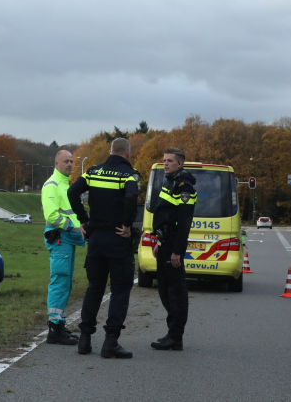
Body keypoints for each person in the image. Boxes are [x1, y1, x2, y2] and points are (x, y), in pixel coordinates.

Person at [68, 138, 139, 359]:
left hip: (96, 239)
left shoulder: (93, 171)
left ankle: (84, 340)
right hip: (118, 239)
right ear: (128, 152)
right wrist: (127, 224)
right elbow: (131, 196)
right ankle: (110, 343)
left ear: (110, 151)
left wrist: (83, 219)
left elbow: (72, 192)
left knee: (95, 288)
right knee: (120, 290)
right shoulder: (129, 175)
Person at [150, 147, 197, 351]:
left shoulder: (184, 187)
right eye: (164, 160)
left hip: (173, 246)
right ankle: (172, 333)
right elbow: (165, 216)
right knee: (164, 290)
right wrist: (158, 243)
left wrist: (177, 251)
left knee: (175, 292)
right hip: (164, 243)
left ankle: (175, 337)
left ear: (180, 163)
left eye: (169, 160)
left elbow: (184, 223)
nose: (165, 164)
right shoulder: (170, 182)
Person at [42, 149, 87, 345]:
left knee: (65, 283)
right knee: (60, 282)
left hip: (67, 240)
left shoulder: (64, 184)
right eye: (66, 161)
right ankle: (54, 329)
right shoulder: (52, 185)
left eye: (71, 161)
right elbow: (52, 216)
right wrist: (73, 228)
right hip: (61, 239)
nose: (70, 164)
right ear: (56, 164)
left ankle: (59, 324)